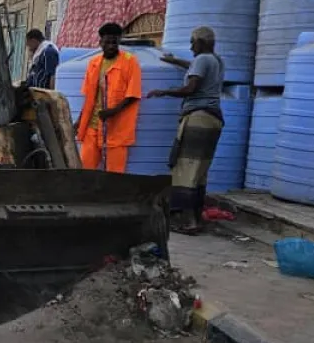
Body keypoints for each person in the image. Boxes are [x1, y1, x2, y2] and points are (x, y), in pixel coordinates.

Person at [148, 26, 225, 234]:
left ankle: (190, 222)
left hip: (198, 118)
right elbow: (193, 67)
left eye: (193, 42)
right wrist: (174, 61)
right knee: (200, 171)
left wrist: (163, 91)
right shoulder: (216, 60)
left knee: (186, 169)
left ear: (201, 42)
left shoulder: (202, 60)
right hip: (213, 118)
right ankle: (197, 218)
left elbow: (191, 88)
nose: (191, 46)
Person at [75, 23, 141, 173]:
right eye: (107, 42)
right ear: (100, 43)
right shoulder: (94, 64)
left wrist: (113, 111)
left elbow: (133, 94)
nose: (111, 46)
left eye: (114, 42)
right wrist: (79, 121)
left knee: (114, 174)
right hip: (92, 125)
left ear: (119, 41)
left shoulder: (130, 62)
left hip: (116, 128)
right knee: (85, 170)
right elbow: (89, 97)